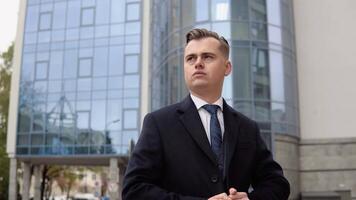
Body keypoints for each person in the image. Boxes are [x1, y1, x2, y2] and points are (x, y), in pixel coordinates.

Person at [122, 28, 290, 200]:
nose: (198, 63)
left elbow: (277, 183)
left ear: (227, 67)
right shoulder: (158, 123)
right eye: (190, 58)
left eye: (207, 57)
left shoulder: (248, 128)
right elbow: (134, 189)